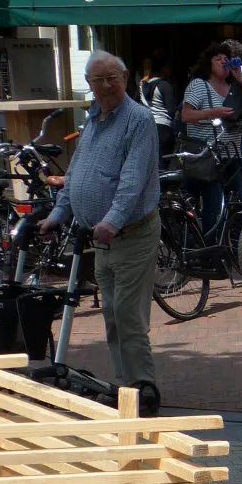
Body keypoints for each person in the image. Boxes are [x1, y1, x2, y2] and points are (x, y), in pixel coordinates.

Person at [41, 50, 161, 413]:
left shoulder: (138, 120)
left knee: (127, 314)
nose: (107, 86)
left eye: (114, 78)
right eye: (99, 80)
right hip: (102, 238)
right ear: (90, 85)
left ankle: (144, 390)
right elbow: (77, 172)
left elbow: (133, 180)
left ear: (125, 79)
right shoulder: (93, 119)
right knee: (112, 314)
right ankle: (126, 387)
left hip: (130, 234)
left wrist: (112, 220)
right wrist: (58, 214)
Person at [180, 42, 242, 241]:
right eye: (218, 59)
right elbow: (186, 115)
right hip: (208, 156)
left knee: (236, 204)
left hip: (232, 155)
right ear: (208, 63)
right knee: (213, 206)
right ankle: (211, 251)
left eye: (226, 60)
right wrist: (212, 113)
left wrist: (241, 80)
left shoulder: (235, 86)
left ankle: (234, 248)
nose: (223, 63)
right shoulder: (199, 85)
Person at [138, 49, 178, 158]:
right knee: (163, 166)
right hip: (163, 129)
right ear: (162, 68)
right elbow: (171, 110)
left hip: (146, 127)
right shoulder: (164, 85)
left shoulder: (141, 85)